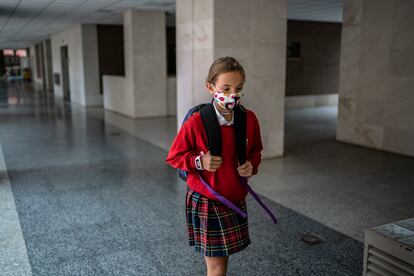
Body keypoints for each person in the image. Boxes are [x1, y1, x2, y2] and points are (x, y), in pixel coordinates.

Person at [165, 56, 263, 276]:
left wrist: (251, 165)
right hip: (208, 200)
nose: (232, 95)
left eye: (238, 88)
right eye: (225, 88)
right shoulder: (197, 122)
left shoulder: (249, 119)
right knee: (216, 266)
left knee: (222, 262)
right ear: (210, 88)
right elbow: (174, 157)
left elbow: (256, 151)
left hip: (235, 197)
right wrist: (199, 161)